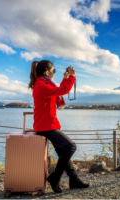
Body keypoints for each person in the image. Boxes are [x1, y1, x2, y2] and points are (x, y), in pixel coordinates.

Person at [28, 60, 89, 193]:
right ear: (46, 72)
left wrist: (65, 78)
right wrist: (72, 77)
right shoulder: (42, 85)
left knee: (62, 152)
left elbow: (57, 91)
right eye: (53, 71)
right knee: (70, 146)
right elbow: (62, 90)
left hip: (46, 124)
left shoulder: (43, 83)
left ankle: (74, 180)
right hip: (46, 126)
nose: (54, 73)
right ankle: (55, 177)